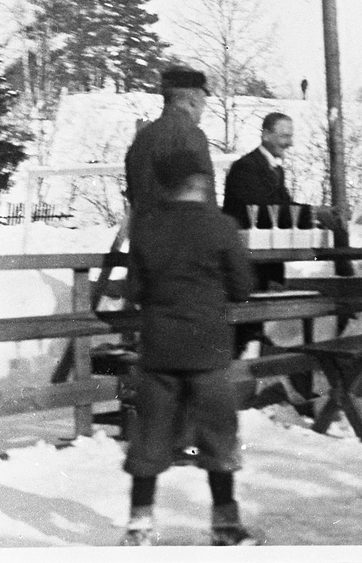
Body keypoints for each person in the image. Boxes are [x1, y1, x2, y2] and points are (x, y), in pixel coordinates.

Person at [120, 144, 259, 546]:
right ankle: (226, 525)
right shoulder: (222, 227)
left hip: (160, 349)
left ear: (164, 185)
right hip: (209, 349)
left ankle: (139, 527)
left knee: (149, 438)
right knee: (218, 437)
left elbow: (135, 289)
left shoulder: (146, 227)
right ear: (202, 181)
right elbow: (241, 288)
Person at [222, 112, 340, 289]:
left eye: (291, 137)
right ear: (266, 135)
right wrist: (313, 213)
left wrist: (318, 215)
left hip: (268, 261)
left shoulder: (274, 169)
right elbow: (262, 211)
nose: (290, 143)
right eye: (284, 136)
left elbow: (283, 209)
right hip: (246, 264)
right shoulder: (246, 167)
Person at [123, 67, 215, 240]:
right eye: (204, 100)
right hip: (182, 247)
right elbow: (205, 201)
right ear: (194, 98)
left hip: (144, 248)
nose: (204, 107)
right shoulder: (192, 134)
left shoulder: (142, 138)